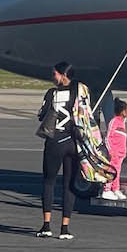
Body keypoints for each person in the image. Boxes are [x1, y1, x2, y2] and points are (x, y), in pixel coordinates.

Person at [36, 62, 86, 239]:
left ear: (63, 75)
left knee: (48, 182)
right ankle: (65, 227)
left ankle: (46, 225)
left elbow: (42, 114)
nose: (53, 77)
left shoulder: (52, 93)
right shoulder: (79, 92)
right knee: (69, 184)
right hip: (73, 141)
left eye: (55, 74)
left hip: (55, 140)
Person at [100, 99, 127, 201]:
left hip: (120, 154)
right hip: (114, 153)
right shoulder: (114, 121)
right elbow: (108, 137)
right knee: (111, 171)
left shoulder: (122, 122)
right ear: (122, 111)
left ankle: (115, 188)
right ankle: (106, 189)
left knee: (118, 171)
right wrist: (110, 150)